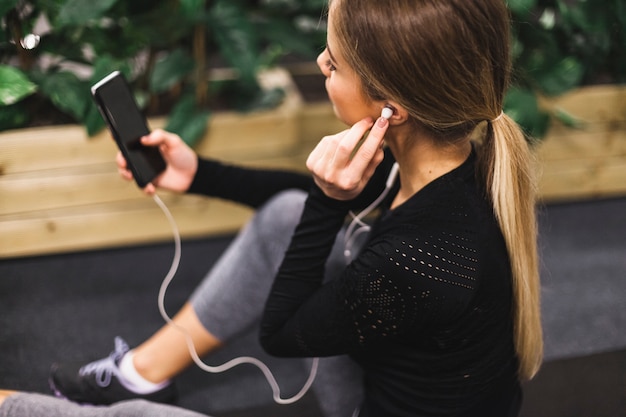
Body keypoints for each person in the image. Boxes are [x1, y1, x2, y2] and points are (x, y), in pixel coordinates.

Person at [0, 0, 544, 416]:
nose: (318, 63)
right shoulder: (449, 155)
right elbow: (303, 203)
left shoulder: (423, 256)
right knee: (290, 213)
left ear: (390, 111)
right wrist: (199, 175)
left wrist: (330, 200)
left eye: (332, 64)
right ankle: (139, 373)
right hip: (392, 374)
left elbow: (282, 333)